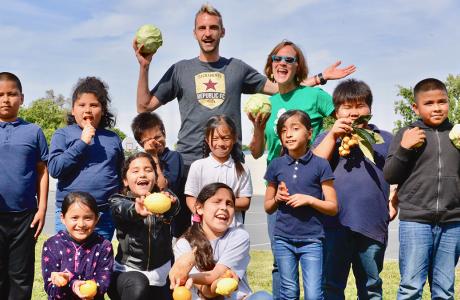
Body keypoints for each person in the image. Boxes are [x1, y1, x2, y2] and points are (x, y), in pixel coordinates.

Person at [134, 3, 355, 169]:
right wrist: (144, 67)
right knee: (187, 231)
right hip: (189, 162)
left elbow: (280, 88)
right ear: (195, 33)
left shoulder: (237, 68)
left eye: (213, 27)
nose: (207, 33)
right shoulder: (180, 69)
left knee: (229, 229)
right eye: (202, 28)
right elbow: (144, 107)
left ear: (223, 32)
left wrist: (318, 78)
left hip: (230, 161)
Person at [248, 40, 336, 299]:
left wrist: (327, 145)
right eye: (277, 58)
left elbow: (340, 118)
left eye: (289, 59)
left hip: (311, 188)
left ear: (299, 67)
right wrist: (256, 127)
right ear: (270, 64)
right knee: (280, 262)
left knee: (315, 260)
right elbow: (255, 151)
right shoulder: (266, 103)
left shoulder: (315, 95)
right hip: (279, 190)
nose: (282, 63)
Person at [313, 79, 393, 299]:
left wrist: (395, 200)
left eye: (360, 106)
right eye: (347, 107)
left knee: (371, 287)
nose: (354, 112)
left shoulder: (384, 139)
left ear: (370, 109)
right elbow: (313, 167)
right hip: (333, 225)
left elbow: (402, 173)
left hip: (372, 225)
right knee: (331, 285)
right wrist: (332, 136)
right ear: (336, 112)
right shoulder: (325, 139)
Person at [383, 78, 460, 300]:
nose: (437, 108)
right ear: (415, 107)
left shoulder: (456, 134)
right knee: (410, 287)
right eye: (429, 103)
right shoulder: (406, 134)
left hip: (453, 222)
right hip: (415, 221)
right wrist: (405, 149)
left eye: (442, 101)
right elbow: (390, 175)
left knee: (445, 290)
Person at [264, 109, 338, 299]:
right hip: (283, 240)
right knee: (289, 292)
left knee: (314, 295)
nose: (288, 134)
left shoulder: (321, 165)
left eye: (295, 128)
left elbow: (332, 207)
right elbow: (268, 206)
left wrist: (310, 200)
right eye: (283, 130)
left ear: (310, 133)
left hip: (312, 241)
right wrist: (277, 199)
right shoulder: (275, 165)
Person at [48, 76, 124, 241]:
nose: (87, 110)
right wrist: (82, 143)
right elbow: (54, 169)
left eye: (94, 105)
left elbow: (121, 174)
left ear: (103, 110)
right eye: (81, 105)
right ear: (73, 110)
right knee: (69, 263)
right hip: (70, 213)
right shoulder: (63, 134)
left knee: (99, 263)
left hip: (103, 215)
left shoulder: (113, 138)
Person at [170, 182, 272, 300]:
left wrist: (184, 275)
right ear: (199, 208)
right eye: (217, 201)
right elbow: (207, 292)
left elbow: (215, 274)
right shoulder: (184, 244)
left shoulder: (239, 236)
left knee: (263, 297)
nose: (224, 207)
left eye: (229, 204)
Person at [0, 72, 49, 300]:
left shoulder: (34, 132)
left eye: (12, 94)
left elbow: (42, 171)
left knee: (20, 277)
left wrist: (42, 209)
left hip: (25, 216)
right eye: (0, 94)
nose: (6, 99)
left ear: (22, 97)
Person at [108, 152, 180, 300]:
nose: (142, 174)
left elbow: (175, 206)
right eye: (135, 171)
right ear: (125, 180)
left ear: (155, 177)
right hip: (128, 274)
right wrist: (136, 210)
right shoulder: (118, 200)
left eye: (148, 170)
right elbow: (121, 209)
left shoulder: (164, 198)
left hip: (162, 274)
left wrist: (171, 204)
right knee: (138, 285)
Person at [42, 192, 114, 300]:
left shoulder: (103, 246)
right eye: (74, 218)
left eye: (88, 218)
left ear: (97, 219)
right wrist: (67, 282)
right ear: (62, 218)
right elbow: (50, 287)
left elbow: (104, 283)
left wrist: (76, 282)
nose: (81, 224)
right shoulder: (52, 245)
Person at [184, 115, 252, 227]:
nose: (220, 143)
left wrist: (220, 205)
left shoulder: (243, 169)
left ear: (234, 138)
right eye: (215, 139)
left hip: (232, 230)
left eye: (225, 138)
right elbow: (190, 197)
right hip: (203, 229)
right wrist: (199, 212)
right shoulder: (198, 166)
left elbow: (245, 201)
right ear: (207, 139)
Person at [131, 112, 186, 237]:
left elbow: (163, 188)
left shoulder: (174, 157)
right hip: (147, 226)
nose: (155, 143)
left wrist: (154, 156)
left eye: (158, 137)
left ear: (164, 134)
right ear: (141, 144)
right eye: (148, 140)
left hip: (174, 226)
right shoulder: (139, 162)